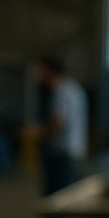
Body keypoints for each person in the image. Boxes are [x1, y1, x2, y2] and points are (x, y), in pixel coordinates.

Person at [36, 57, 87, 196]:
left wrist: (40, 134)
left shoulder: (60, 91)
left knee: (58, 198)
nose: (37, 75)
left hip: (62, 154)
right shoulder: (73, 88)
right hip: (74, 152)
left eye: (41, 71)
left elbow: (59, 123)